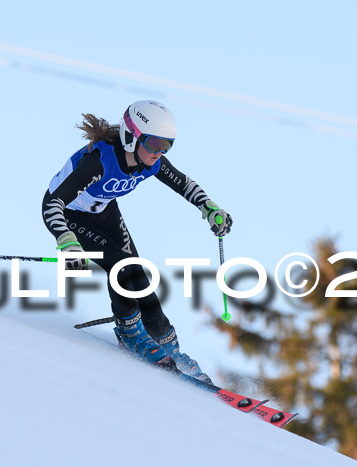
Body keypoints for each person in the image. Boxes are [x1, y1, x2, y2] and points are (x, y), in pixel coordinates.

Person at [41, 100, 232, 383]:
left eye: (167, 145)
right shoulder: (98, 162)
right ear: (132, 136)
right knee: (120, 266)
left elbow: (183, 183)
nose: (160, 153)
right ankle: (130, 333)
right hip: (70, 216)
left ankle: (167, 345)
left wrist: (210, 208)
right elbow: (51, 204)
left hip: (104, 211)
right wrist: (67, 241)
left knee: (138, 274)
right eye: (155, 144)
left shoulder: (149, 162)